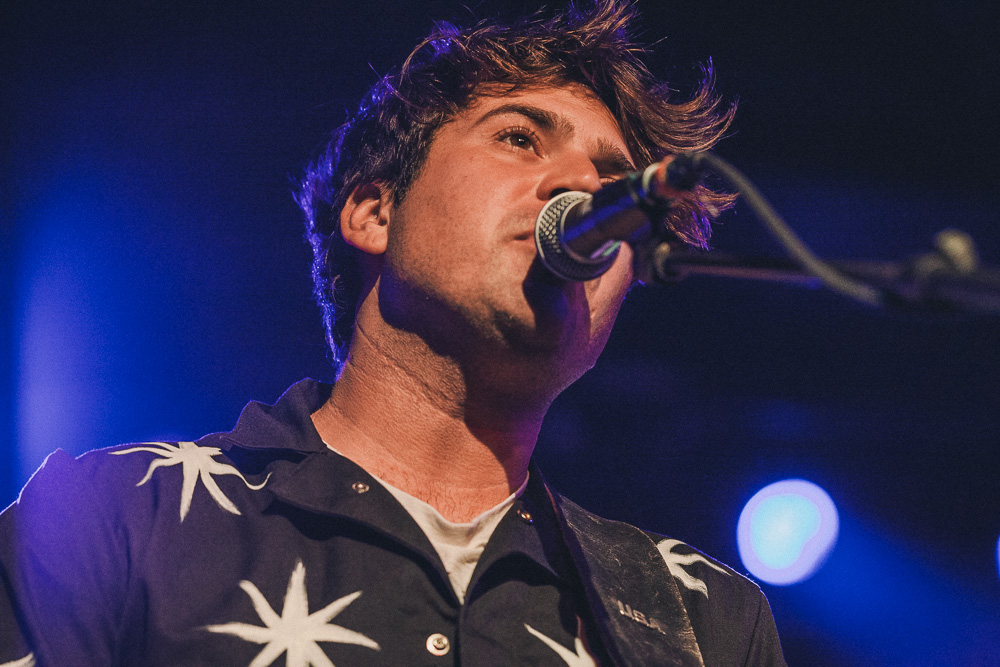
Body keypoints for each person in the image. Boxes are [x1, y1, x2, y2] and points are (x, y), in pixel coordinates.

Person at [0, 1, 785, 664]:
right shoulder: (106, 522)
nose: (583, 184)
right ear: (375, 213)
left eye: (613, 180)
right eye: (519, 137)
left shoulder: (704, 619)